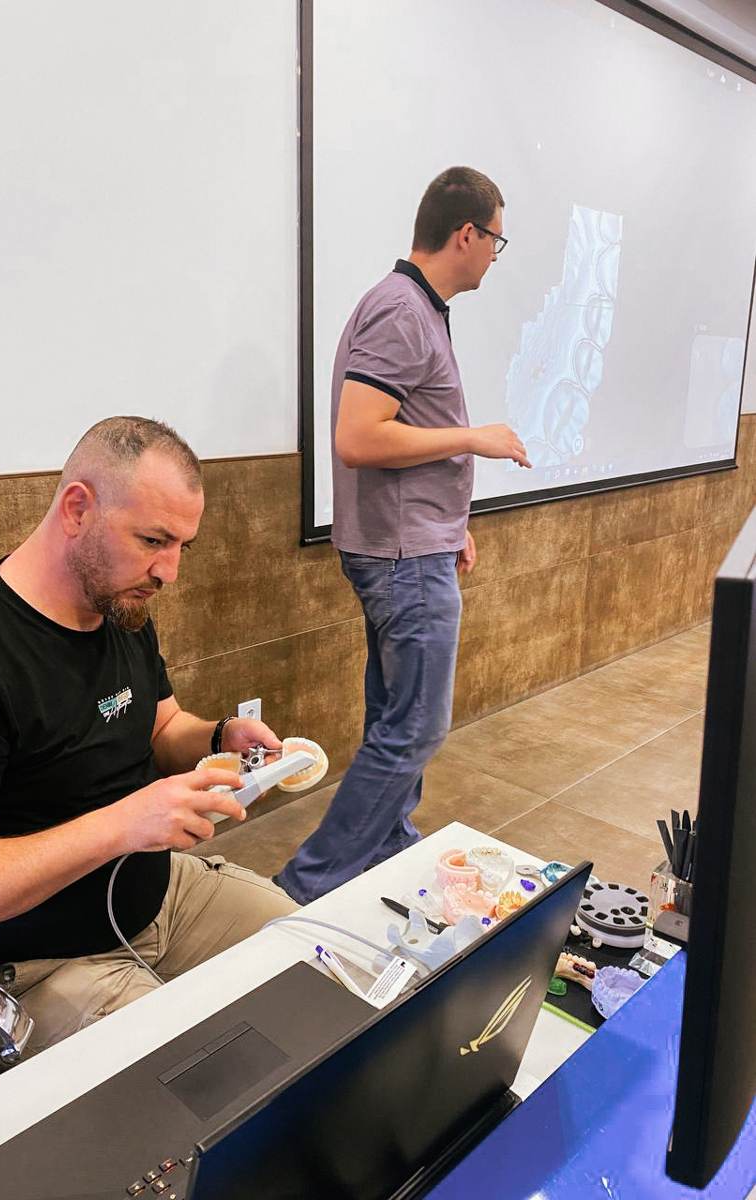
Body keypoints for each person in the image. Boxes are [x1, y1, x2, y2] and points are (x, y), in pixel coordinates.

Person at [0, 416, 297, 1058]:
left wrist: (218, 736)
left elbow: (162, 727)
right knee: (198, 1069)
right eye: (153, 540)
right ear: (77, 509)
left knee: (312, 962)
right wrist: (126, 824)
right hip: (35, 962)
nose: (169, 571)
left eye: (183, 546)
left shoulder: (120, 608)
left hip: (154, 897)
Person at [274, 167, 531, 905]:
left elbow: (404, 429)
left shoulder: (414, 307)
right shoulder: (400, 310)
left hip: (415, 544)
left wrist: (450, 523)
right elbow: (361, 437)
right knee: (414, 729)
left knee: (396, 718)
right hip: (401, 556)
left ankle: (387, 849)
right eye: (496, 241)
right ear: (466, 234)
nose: (495, 256)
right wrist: (474, 438)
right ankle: (302, 888)